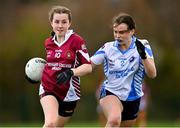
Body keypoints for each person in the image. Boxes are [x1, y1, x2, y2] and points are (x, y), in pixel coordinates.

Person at [91, 13, 157, 127]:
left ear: (132, 31)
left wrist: (144, 56)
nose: (117, 36)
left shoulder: (143, 44)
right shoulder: (108, 47)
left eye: (121, 32)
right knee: (114, 120)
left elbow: (152, 74)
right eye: (115, 32)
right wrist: (70, 70)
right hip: (110, 92)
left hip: (133, 97)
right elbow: (88, 65)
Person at [38, 6, 92, 127]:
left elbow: (88, 67)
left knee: (57, 126)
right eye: (56, 22)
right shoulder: (48, 42)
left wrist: (70, 72)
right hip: (48, 87)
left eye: (64, 22)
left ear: (69, 23)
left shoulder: (77, 41)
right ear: (51, 23)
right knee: (50, 124)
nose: (60, 25)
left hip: (69, 93)